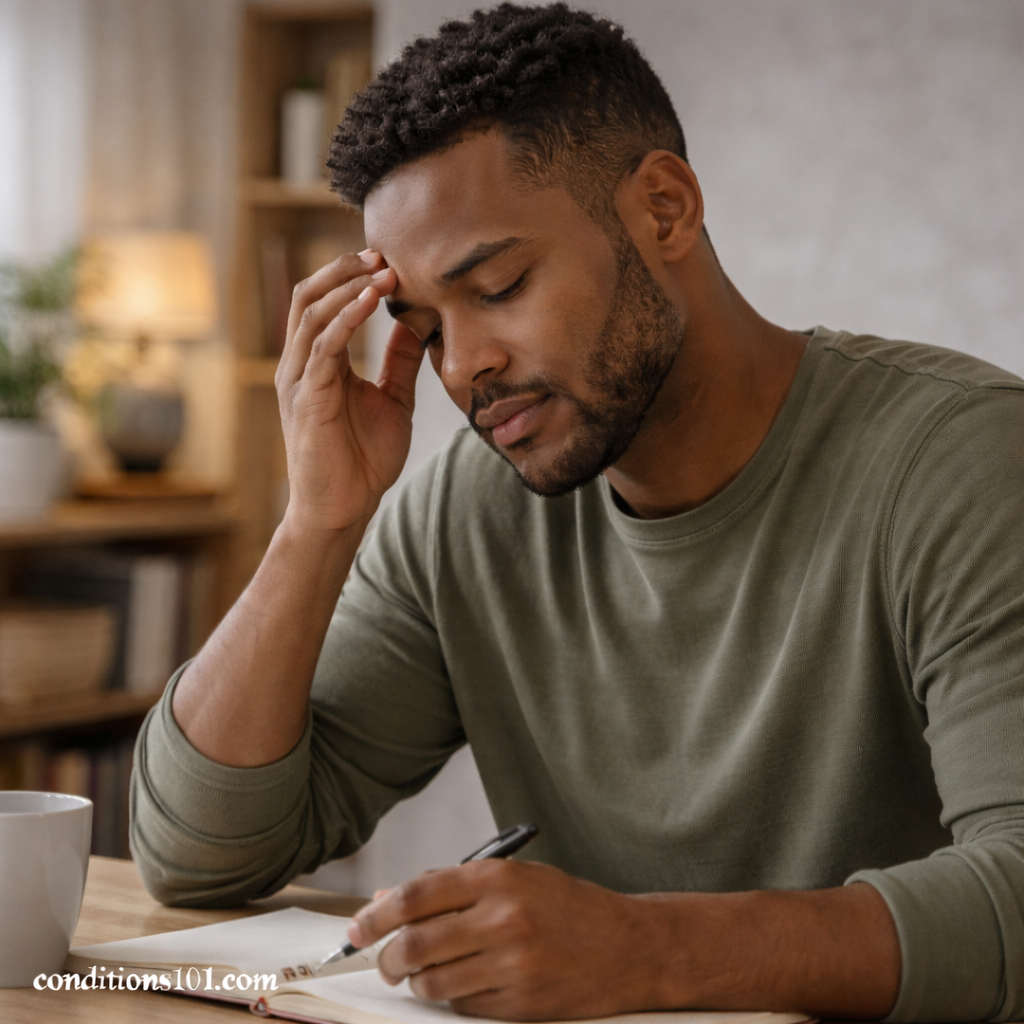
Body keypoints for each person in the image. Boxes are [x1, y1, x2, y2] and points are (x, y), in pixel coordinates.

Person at [130, 4, 1024, 1022]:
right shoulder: (463, 519)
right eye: (423, 327)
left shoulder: (966, 463)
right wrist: (315, 525)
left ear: (663, 209)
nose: (463, 367)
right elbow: (196, 855)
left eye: (499, 286)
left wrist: (647, 949)